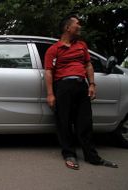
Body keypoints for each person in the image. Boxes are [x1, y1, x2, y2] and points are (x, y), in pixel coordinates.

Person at [44, 15, 118, 170]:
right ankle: (69, 154)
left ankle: (92, 157)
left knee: (85, 123)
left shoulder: (82, 46)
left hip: (81, 85)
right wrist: (50, 94)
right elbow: (49, 72)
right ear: (67, 28)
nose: (80, 26)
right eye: (77, 24)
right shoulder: (53, 49)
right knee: (64, 122)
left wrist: (92, 84)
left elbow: (88, 65)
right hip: (63, 86)